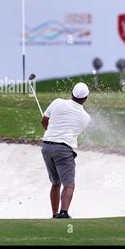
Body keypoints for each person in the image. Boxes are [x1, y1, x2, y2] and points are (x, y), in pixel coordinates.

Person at [40, 82, 91, 219]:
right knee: (68, 184)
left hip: (46, 147)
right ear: (86, 98)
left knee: (56, 183)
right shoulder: (85, 118)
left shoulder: (57, 102)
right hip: (63, 149)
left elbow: (44, 121)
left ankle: (54, 214)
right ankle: (63, 213)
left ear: (71, 92)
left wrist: (50, 130)